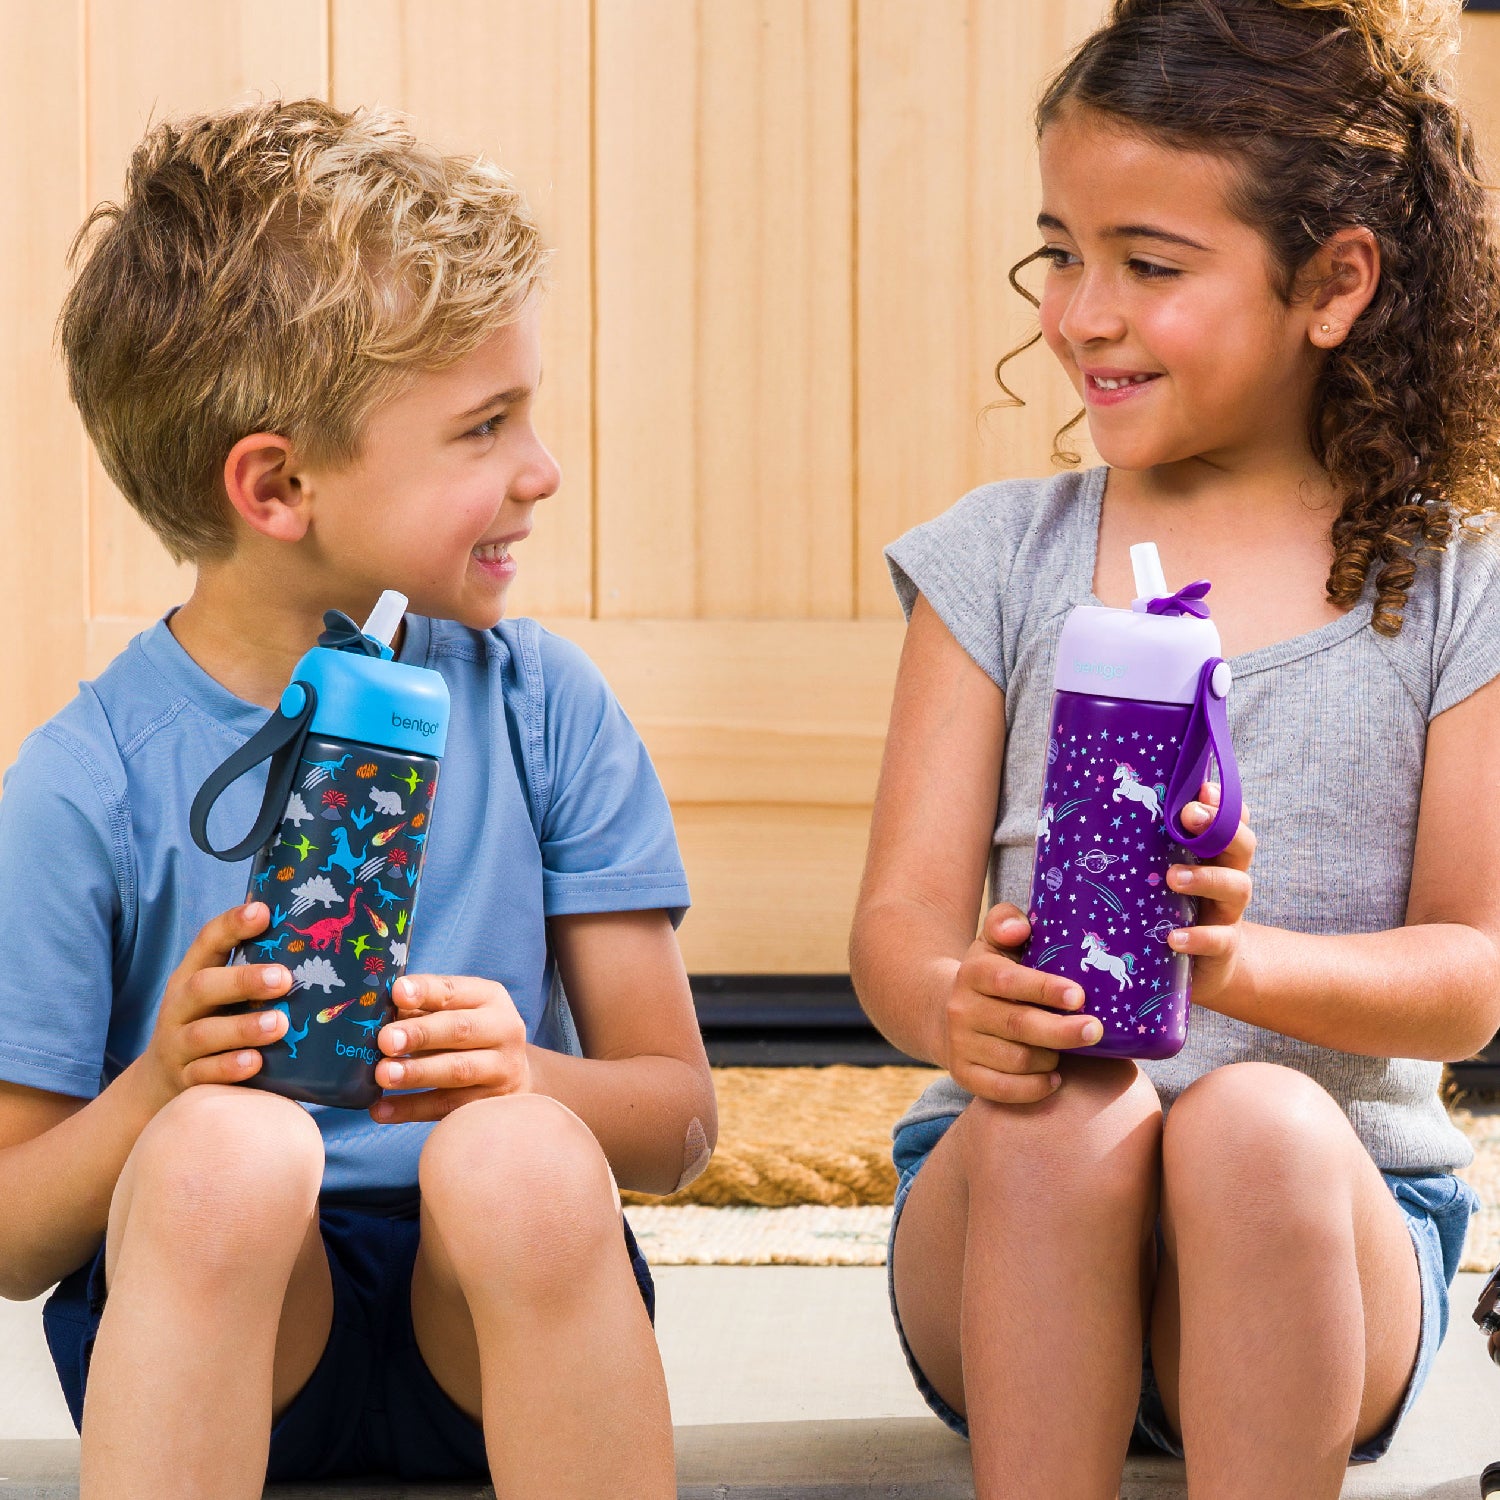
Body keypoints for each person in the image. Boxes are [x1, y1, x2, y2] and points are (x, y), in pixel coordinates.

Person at [0, 98, 715, 1499]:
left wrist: (533, 1077)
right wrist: (157, 1087)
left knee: (518, 1160)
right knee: (226, 1153)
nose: (542, 470)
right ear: (278, 485)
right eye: (484, 428)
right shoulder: (86, 783)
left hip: (489, 1325)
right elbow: (15, 1237)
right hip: (230, 1330)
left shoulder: (543, 708)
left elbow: (679, 1124)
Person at [849, 1, 1500, 1494]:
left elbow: (1472, 979)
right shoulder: (997, 562)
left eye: (1149, 265)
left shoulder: (1458, 589)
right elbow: (895, 926)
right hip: (1012, 1227)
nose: (1083, 313)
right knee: (1061, 1107)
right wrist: (957, 1003)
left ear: (1333, 284)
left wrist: (1240, 966)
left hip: (1329, 1236)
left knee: (1258, 1124)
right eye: (1060, 253)